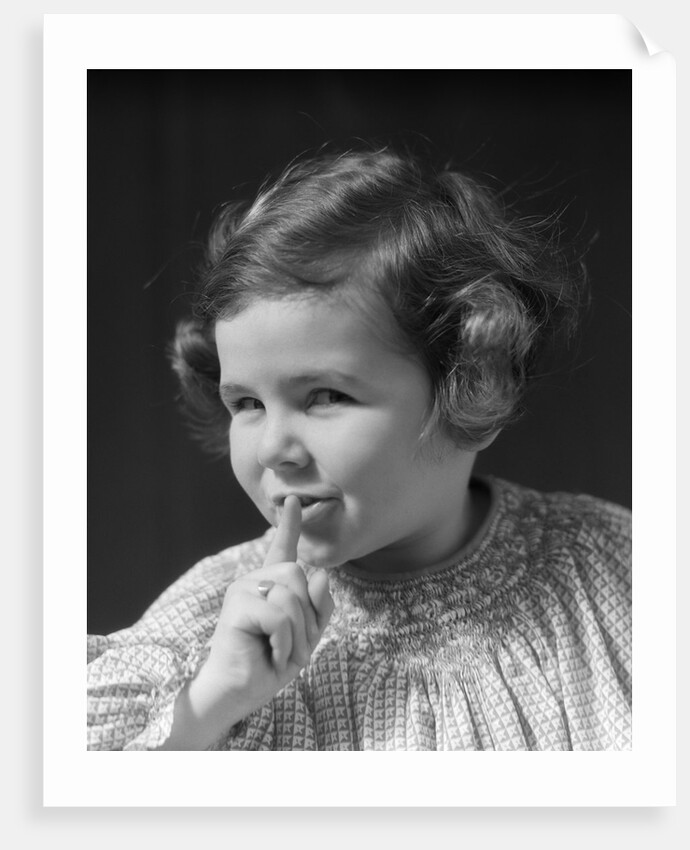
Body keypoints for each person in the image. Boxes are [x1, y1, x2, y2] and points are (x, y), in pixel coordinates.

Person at [87, 147, 632, 751]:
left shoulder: (614, 569)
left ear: (473, 383)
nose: (272, 449)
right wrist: (212, 702)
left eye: (325, 397)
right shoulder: (211, 635)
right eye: (247, 404)